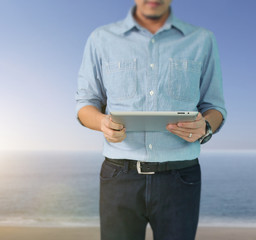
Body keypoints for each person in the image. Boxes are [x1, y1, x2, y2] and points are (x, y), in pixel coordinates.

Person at [75, 0, 227, 239]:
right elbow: (85, 104)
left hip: (181, 179)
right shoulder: (101, 38)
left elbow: (215, 107)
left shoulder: (203, 39)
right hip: (119, 177)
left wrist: (205, 126)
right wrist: (102, 122)